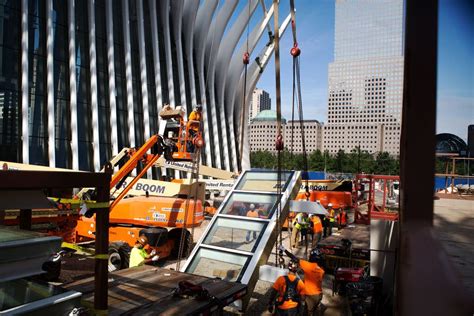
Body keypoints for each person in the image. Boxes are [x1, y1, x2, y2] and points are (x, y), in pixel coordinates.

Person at [279, 245, 325, 316]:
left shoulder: (308, 266)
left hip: (310, 295)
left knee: (309, 313)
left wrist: (284, 250)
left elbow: (294, 258)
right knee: (310, 311)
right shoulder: (321, 269)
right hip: (319, 295)